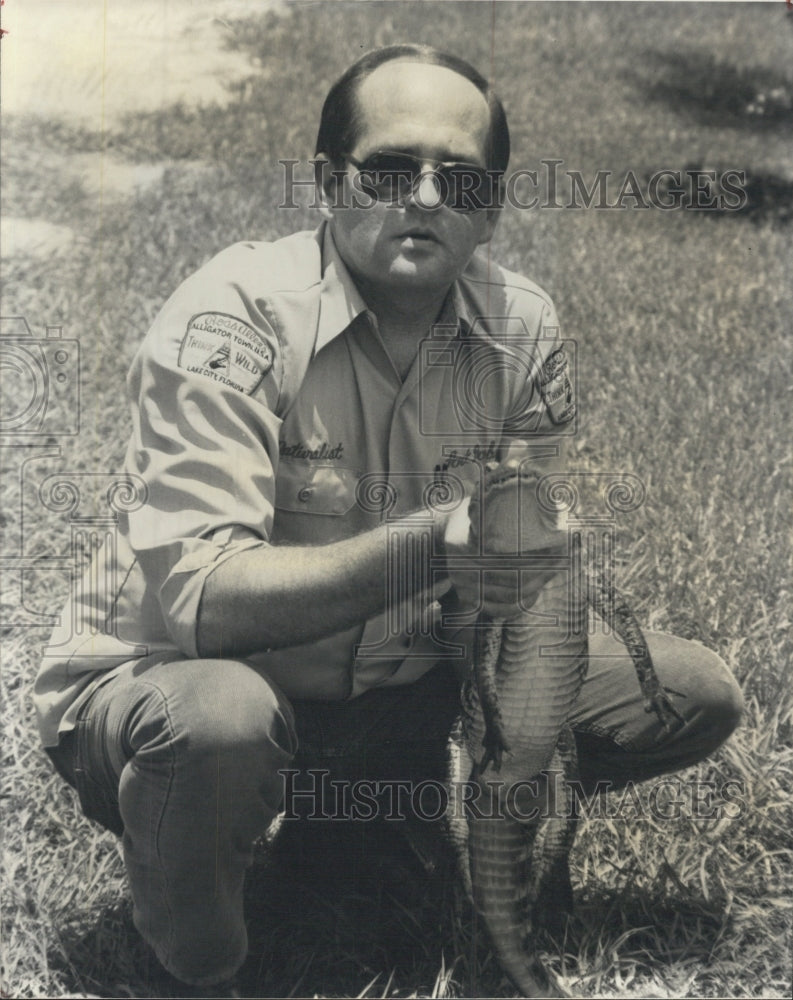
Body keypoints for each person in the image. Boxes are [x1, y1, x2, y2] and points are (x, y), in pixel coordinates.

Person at [35, 45, 744, 996]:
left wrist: (517, 719)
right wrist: (433, 543)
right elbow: (208, 602)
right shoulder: (234, 317)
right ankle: (193, 963)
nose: (425, 196)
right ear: (330, 181)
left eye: (461, 178)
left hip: (387, 685)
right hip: (169, 688)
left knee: (689, 691)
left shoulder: (521, 328)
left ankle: (366, 818)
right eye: (390, 169)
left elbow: (509, 592)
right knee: (219, 725)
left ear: (491, 207)